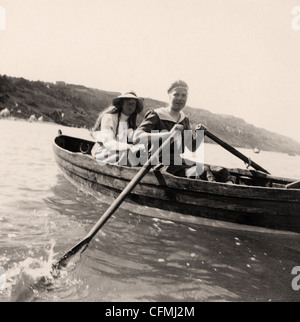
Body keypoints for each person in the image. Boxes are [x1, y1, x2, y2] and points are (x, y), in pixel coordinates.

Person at [133, 80, 203, 178]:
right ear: (169, 96)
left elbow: (191, 148)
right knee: (195, 173)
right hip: (157, 163)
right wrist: (169, 134)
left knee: (215, 171)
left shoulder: (184, 120)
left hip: (176, 162)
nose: (180, 98)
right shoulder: (156, 115)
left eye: (184, 95)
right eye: (176, 94)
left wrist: (200, 135)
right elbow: (136, 137)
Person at [91, 91, 144, 166]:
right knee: (127, 155)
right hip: (102, 152)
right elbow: (108, 143)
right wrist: (128, 146)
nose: (131, 106)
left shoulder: (131, 124)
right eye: (128, 102)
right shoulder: (109, 117)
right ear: (122, 104)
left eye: (133, 103)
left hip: (121, 154)